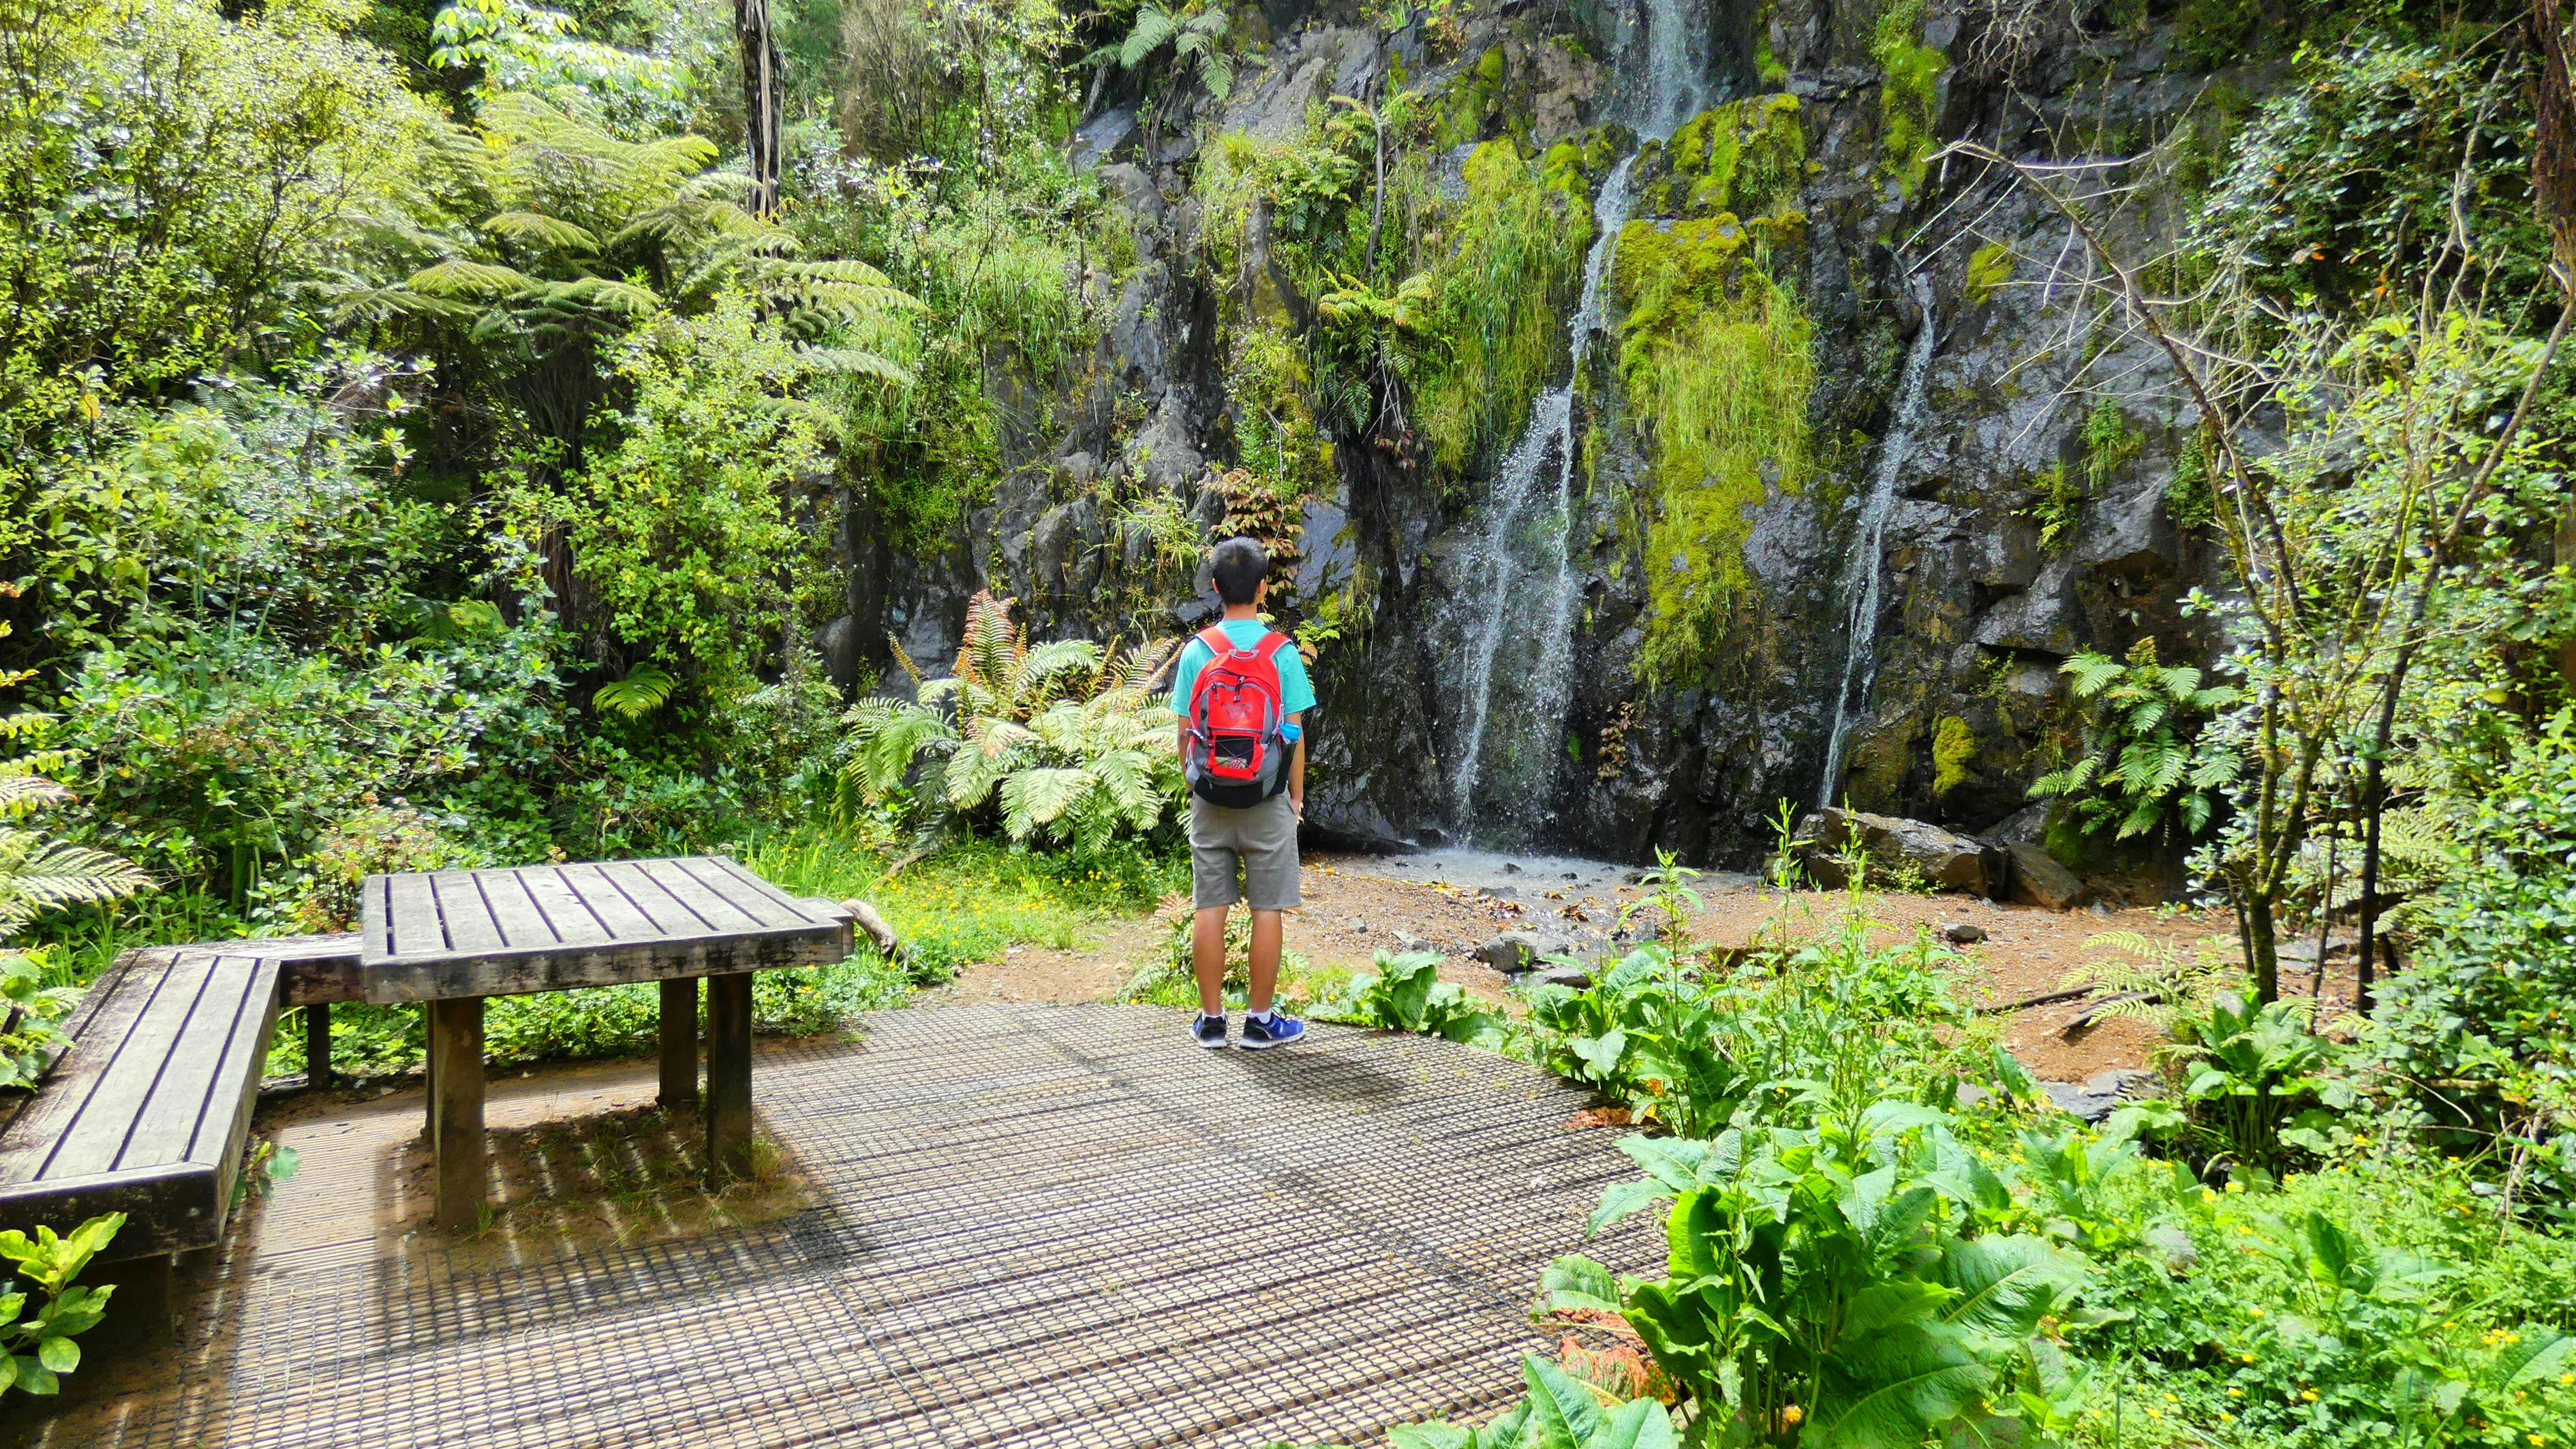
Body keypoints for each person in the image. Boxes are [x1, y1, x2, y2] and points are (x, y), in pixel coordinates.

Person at [1169, 537, 1311, 1049]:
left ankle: (1210, 1023)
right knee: (1266, 908)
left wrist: (1194, 780)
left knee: (1211, 905)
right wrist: (1294, 798)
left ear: (1214, 588)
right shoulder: (1282, 653)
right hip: (1267, 796)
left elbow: (1185, 732)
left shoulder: (1197, 651)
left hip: (1209, 794)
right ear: (1263, 588)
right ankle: (1260, 1021)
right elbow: (1293, 733)